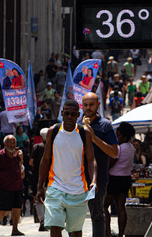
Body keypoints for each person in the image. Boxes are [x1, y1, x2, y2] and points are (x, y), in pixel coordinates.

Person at [37, 99, 97, 237]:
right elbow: (45, 159)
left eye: (73, 114)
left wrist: (94, 180)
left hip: (78, 190)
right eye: (67, 113)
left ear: (78, 115)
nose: (69, 117)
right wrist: (40, 186)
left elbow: (91, 159)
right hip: (55, 187)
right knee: (55, 226)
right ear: (62, 114)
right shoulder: (54, 131)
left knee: (75, 230)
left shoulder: (84, 133)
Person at [81, 92, 119, 237]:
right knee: (72, 215)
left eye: (91, 104)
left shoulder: (105, 125)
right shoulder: (75, 124)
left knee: (97, 215)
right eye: (85, 105)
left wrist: (94, 137)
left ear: (98, 105)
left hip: (98, 179)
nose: (88, 108)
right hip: (76, 178)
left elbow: (114, 153)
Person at [104, 122, 135, 237]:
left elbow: (112, 161)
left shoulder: (119, 148)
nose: (116, 138)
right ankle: (121, 234)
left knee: (103, 206)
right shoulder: (131, 148)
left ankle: (108, 233)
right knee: (121, 208)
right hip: (126, 179)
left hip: (114, 179)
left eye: (118, 135)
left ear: (124, 137)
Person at [0, 135, 25, 236]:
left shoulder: (18, 154)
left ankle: (15, 229)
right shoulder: (0, 156)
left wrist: (21, 158)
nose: (12, 145)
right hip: (5, 186)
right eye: (10, 142)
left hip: (18, 185)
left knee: (17, 208)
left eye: (14, 142)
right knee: (3, 210)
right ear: (5, 144)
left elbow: (21, 169)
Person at [29, 128, 49, 232]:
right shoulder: (52, 147)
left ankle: (42, 220)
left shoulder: (37, 147)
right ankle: (49, 220)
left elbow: (31, 162)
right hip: (51, 177)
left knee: (39, 199)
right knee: (49, 199)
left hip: (38, 177)